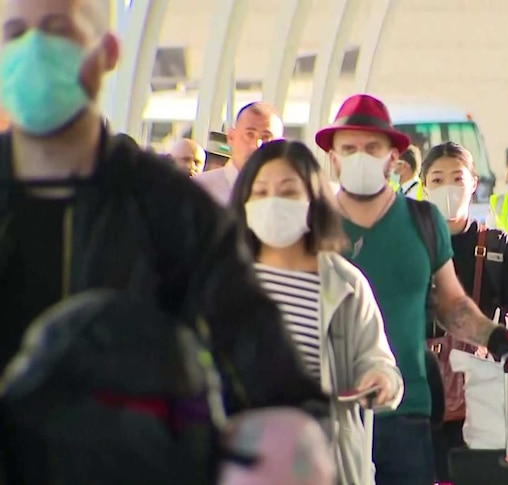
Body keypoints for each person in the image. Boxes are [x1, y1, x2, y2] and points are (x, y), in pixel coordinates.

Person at [0, 0, 324, 475]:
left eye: (57, 30)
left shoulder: (167, 206)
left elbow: (262, 360)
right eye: (14, 33)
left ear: (107, 52)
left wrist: (287, 440)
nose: (34, 50)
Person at [315, 93, 508, 485]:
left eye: (372, 147)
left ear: (393, 158)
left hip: (408, 407)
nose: (361, 156)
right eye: (350, 148)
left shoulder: (421, 221)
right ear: (335, 157)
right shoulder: (313, 224)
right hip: (329, 408)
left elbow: (451, 304)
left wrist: (499, 339)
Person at [229, 139, 404, 484]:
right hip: (239, 462)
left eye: (288, 191)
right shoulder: (223, 280)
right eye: (260, 192)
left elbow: (377, 359)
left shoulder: (344, 284)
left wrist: (381, 380)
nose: (272, 202)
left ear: (313, 201)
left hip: (323, 464)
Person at [419, 141, 508, 482]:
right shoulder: (410, 244)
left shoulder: (498, 245)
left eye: (457, 178)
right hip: (418, 391)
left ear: (474, 183)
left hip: (480, 396)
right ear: (424, 186)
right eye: (437, 180)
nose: (447, 188)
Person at [196, 102, 284, 205]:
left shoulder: (287, 196)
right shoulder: (200, 189)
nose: (257, 145)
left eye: (266, 137)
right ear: (231, 137)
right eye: (249, 134)